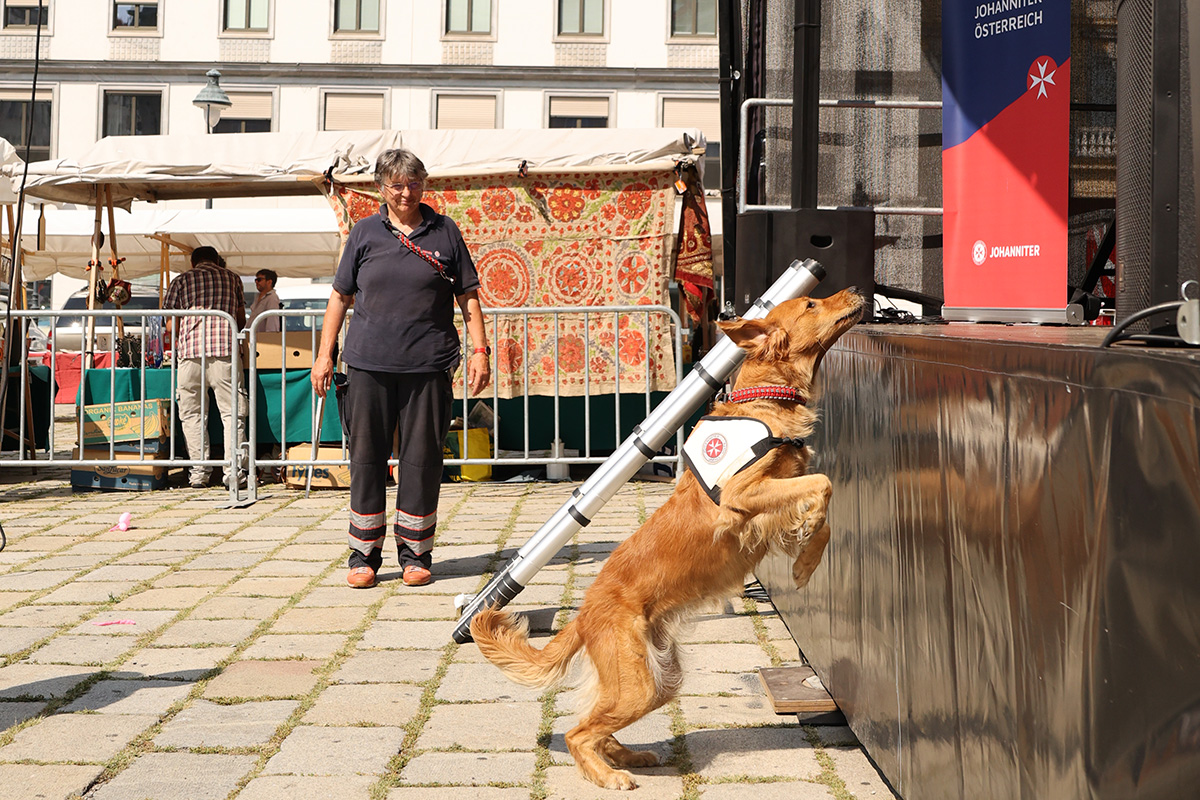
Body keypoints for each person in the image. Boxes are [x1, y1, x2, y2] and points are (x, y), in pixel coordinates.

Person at [312, 148, 490, 589]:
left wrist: (480, 351)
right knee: (366, 459)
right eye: (396, 185)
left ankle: (415, 554)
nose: (406, 192)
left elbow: (468, 296)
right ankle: (363, 555)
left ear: (423, 185)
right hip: (367, 364)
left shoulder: (445, 231)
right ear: (380, 188)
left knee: (422, 461)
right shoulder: (364, 233)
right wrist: (324, 354)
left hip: (428, 365)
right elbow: (340, 296)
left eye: (413, 184)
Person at [164, 245, 248, 489]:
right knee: (232, 414)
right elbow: (240, 319)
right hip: (225, 352)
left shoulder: (181, 280)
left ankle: (199, 473)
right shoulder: (232, 278)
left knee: (192, 415)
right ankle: (233, 473)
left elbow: (170, 324)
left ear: (193, 262)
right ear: (217, 260)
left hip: (190, 353)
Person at [248, 269, 283, 333]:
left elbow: (272, 322)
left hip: (261, 337)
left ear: (269, 282)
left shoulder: (272, 298)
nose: (256, 282)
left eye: (259, 280)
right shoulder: (257, 296)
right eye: (255, 280)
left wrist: (268, 337)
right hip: (253, 336)